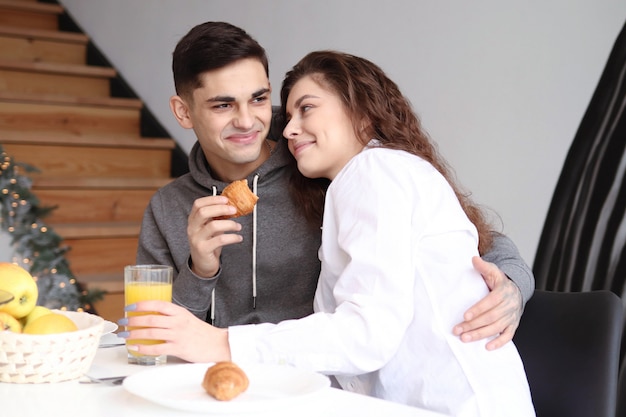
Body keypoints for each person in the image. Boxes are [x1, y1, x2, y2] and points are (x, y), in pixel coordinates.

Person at [124, 50, 536, 416]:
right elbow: (154, 336)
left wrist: (512, 285)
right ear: (183, 112)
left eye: (263, 100)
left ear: (361, 110)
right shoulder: (331, 174)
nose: (276, 127)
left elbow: (473, 248)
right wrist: (199, 271)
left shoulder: (361, 171)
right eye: (222, 104)